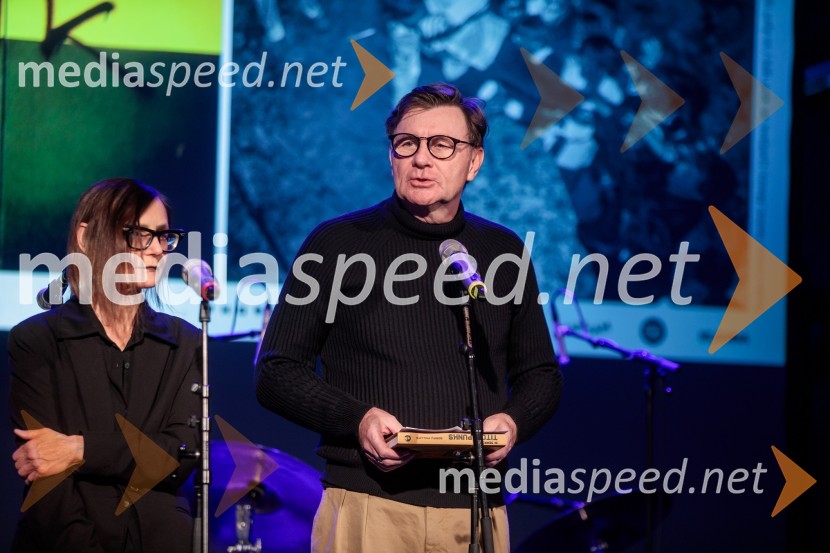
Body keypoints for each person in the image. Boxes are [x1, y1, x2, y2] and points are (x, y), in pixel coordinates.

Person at [254, 83, 563, 552]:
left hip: (475, 509)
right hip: (369, 505)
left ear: (473, 161)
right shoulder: (337, 244)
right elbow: (276, 371)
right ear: (391, 155)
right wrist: (356, 419)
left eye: (442, 145)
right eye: (407, 143)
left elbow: (541, 374)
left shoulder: (503, 253)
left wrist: (514, 422)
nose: (421, 159)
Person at [8, 178, 201, 552]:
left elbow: (178, 455)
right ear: (86, 237)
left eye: (163, 236)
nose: (157, 249)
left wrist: (80, 450)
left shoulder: (186, 343)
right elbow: (44, 474)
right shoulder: (38, 340)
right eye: (138, 234)